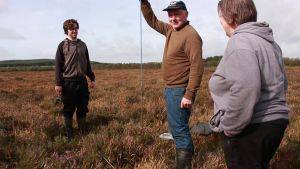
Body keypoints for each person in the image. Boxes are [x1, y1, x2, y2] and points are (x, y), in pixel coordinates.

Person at [209, 0, 289, 168]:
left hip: (251, 128)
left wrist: (229, 127)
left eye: (220, 18)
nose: (220, 23)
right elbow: (283, 84)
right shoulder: (270, 43)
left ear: (230, 18)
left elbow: (246, 88)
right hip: (275, 124)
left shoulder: (239, 42)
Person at [140, 1, 204, 168]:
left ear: (186, 14)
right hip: (171, 89)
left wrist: (189, 94)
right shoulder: (170, 30)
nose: (173, 18)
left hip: (180, 91)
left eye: (177, 13)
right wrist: (144, 2)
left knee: (180, 131)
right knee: (177, 128)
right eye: (170, 14)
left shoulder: (191, 35)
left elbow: (197, 66)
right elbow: (152, 20)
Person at [55, 19, 95, 140]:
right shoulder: (62, 46)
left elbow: (87, 63)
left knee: (83, 107)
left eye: (76, 28)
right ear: (66, 31)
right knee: (68, 109)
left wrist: (92, 78)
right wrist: (58, 83)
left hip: (82, 82)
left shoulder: (83, 45)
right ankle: (70, 135)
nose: (74, 31)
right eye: (72, 29)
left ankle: (82, 132)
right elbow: (58, 66)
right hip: (68, 82)